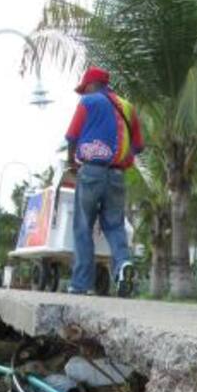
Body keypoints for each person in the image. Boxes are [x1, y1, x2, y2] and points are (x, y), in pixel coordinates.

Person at [64, 65, 144, 297]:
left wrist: (71, 162)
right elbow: (138, 146)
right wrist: (118, 154)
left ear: (91, 85)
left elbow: (72, 135)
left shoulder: (88, 102)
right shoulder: (128, 107)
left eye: (85, 88)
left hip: (91, 171)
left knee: (83, 226)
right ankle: (123, 265)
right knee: (115, 225)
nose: (84, 92)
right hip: (117, 175)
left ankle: (81, 284)